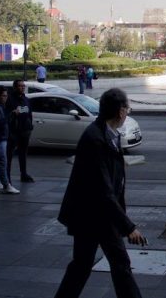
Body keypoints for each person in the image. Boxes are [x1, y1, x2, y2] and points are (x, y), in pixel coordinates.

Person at [55, 88, 147, 298]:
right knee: (115, 263)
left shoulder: (107, 134)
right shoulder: (95, 139)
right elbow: (103, 189)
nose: (128, 112)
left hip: (95, 214)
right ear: (121, 112)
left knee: (85, 265)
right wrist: (128, 227)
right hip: (94, 216)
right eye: (128, 108)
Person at [6, 80, 34, 184]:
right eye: (20, 86)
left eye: (23, 86)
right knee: (9, 155)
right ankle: (7, 177)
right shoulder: (9, 100)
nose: (22, 87)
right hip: (13, 132)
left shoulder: (26, 99)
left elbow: (29, 114)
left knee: (23, 153)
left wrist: (30, 127)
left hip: (25, 131)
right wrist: (13, 114)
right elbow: (6, 115)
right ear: (15, 87)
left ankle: (24, 174)